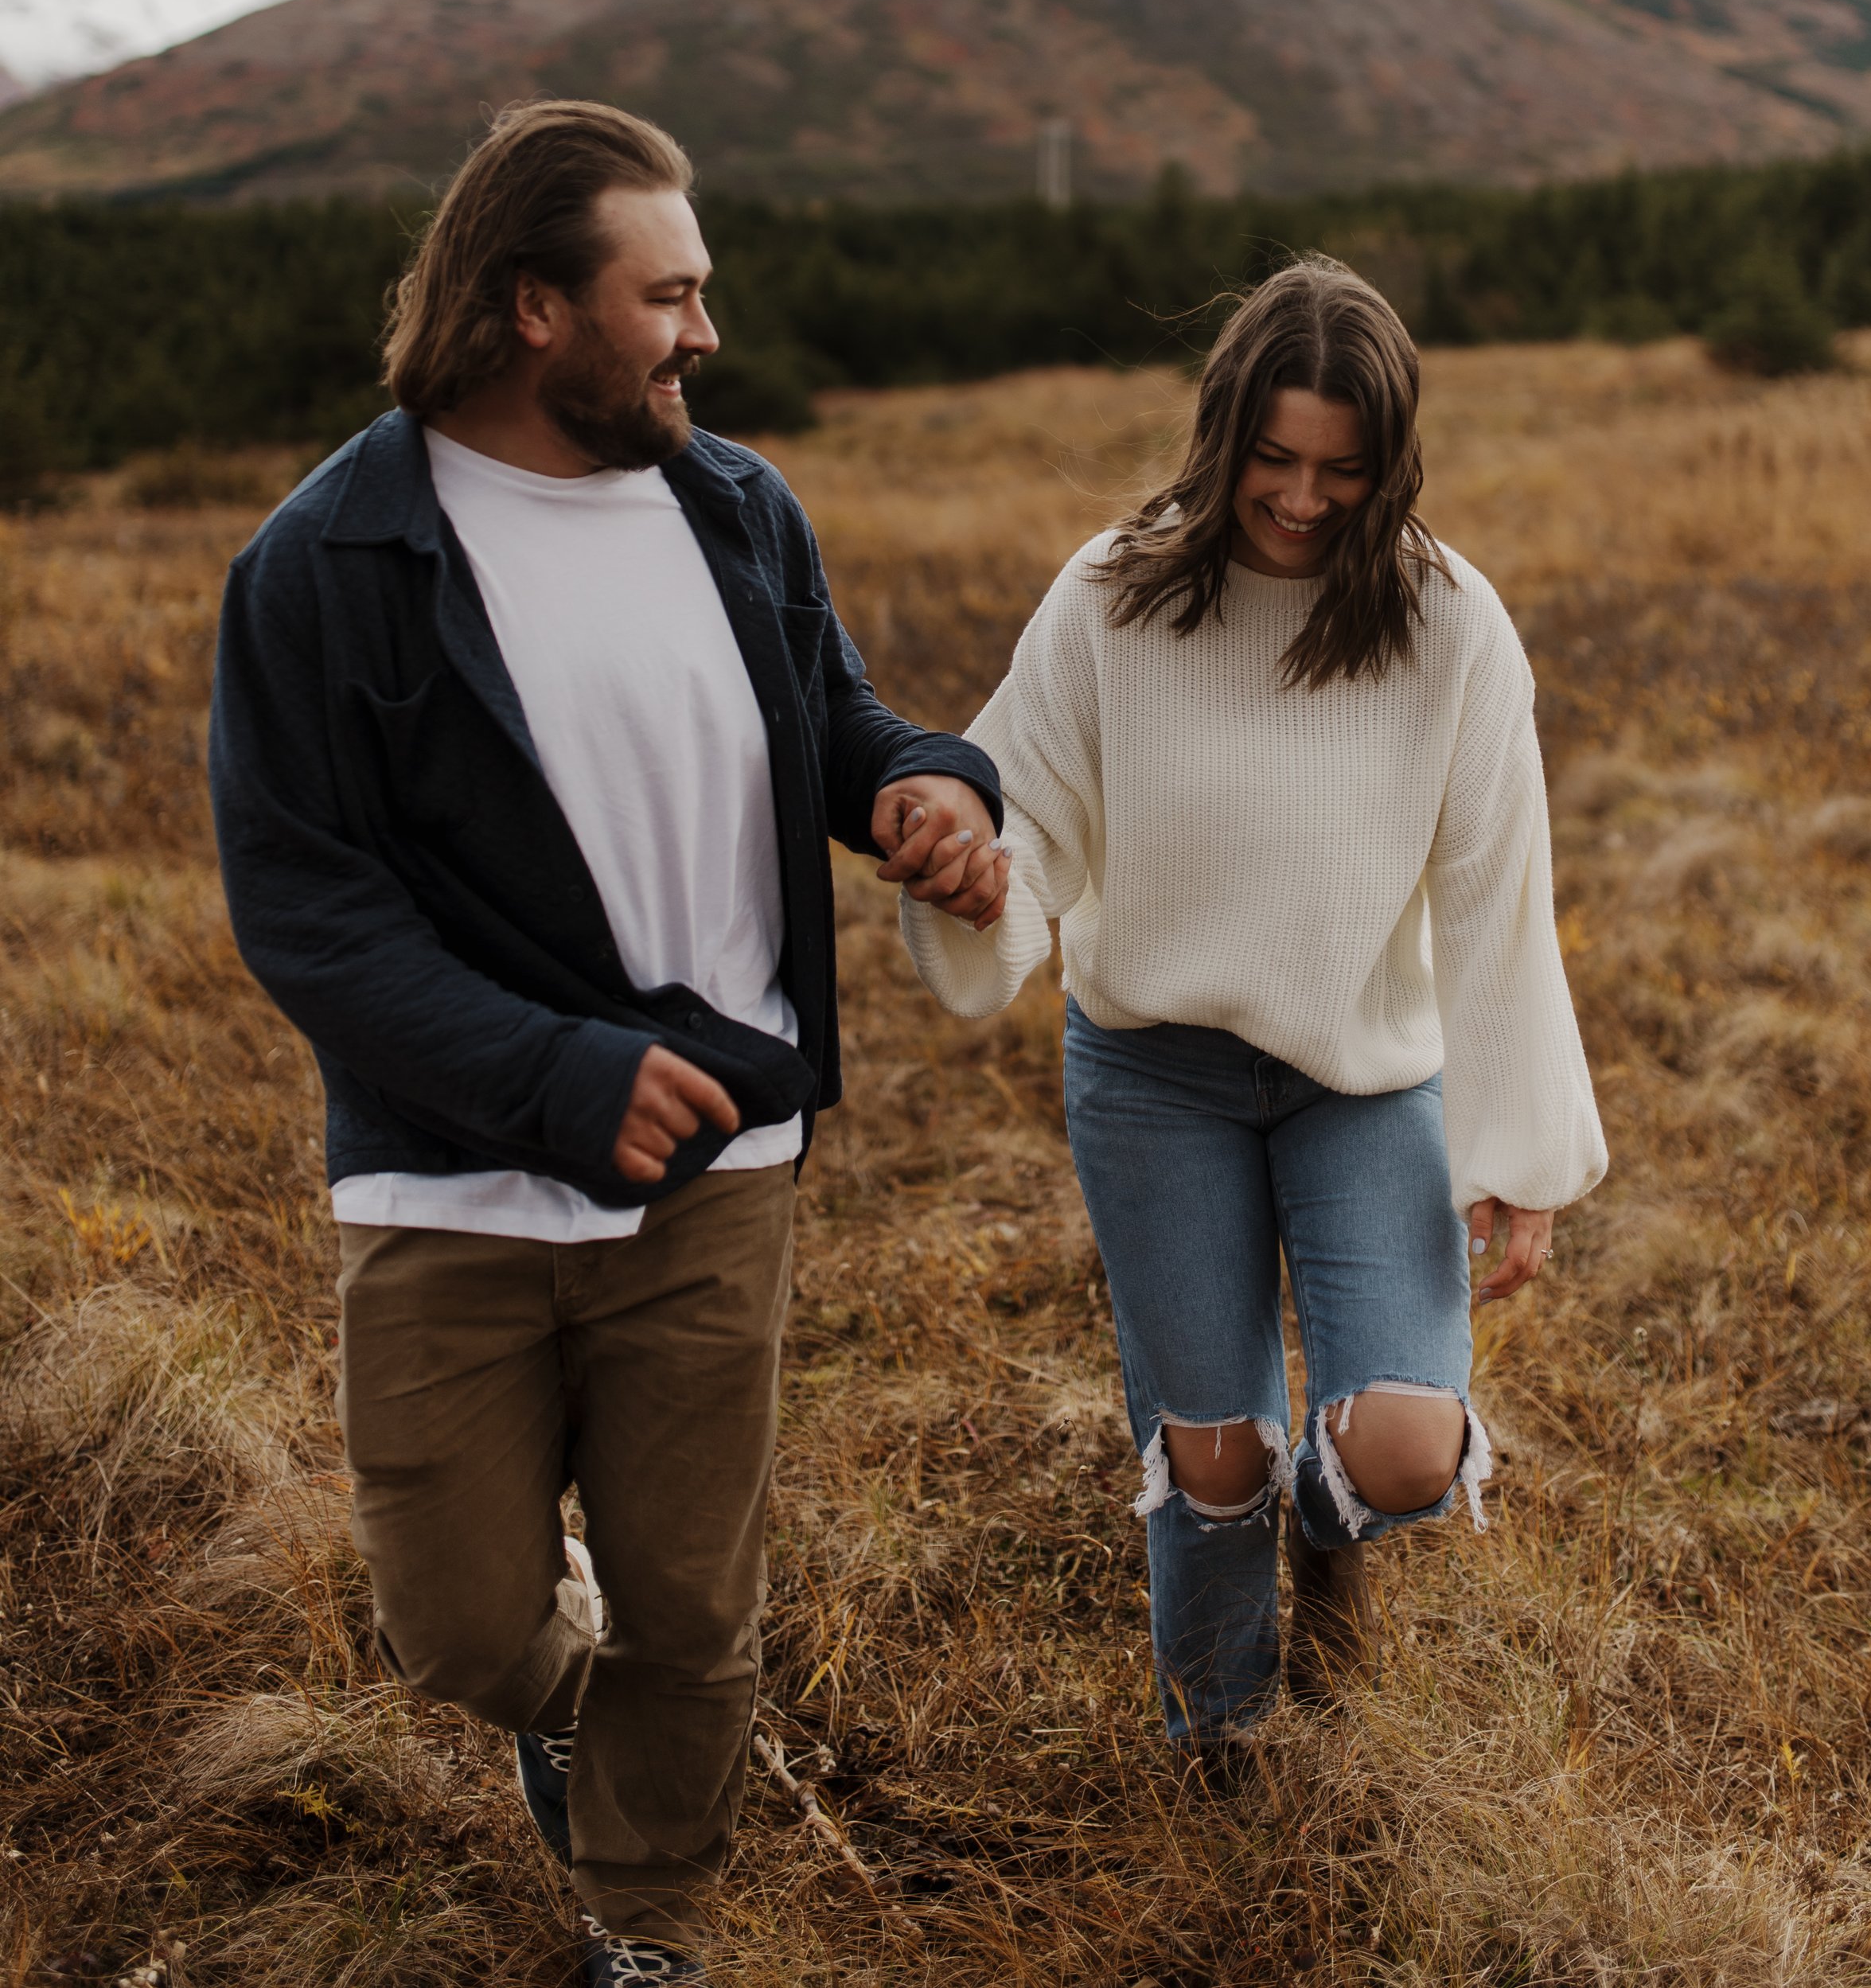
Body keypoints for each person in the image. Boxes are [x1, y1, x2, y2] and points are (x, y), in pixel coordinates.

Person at [209, 100, 1007, 1986]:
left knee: (692, 1608)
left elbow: (835, 719)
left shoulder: (734, 506)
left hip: (720, 1168)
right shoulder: (326, 564)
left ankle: (642, 1922)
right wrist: (553, 1075)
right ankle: (565, 1709)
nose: (704, 332)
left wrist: (918, 786)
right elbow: (309, 914)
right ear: (529, 308)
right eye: (670, 294)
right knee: (462, 1633)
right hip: (454, 1176)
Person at [899, 256, 1607, 1762]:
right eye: (1271, 460)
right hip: (1157, 1074)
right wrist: (974, 880)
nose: (1298, 498)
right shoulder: (1113, 595)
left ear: (1389, 464)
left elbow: (1498, 899)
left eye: (1340, 471)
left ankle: (1328, 1530)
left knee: (1405, 1447)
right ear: (1223, 436)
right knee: (1209, 1458)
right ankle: (1220, 1741)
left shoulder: (1449, 624)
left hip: (1364, 1079)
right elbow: (1023, 822)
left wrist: (1521, 1161)